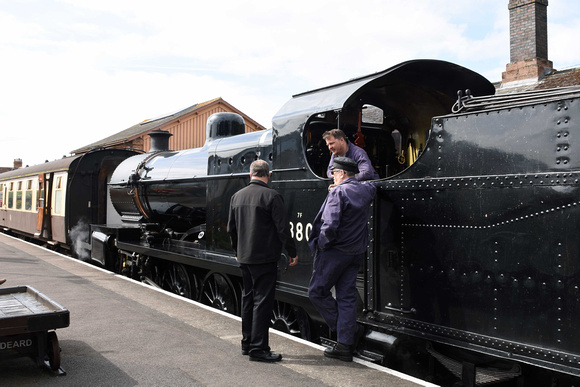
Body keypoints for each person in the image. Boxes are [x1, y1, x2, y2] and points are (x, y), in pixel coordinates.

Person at [227, 160, 298, 363]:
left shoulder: (236, 196)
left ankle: (247, 343)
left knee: (248, 299)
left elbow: (231, 229)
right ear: (268, 175)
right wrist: (292, 252)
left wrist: (237, 251)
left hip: (245, 258)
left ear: (250, 175)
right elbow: (283, 229)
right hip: (265, 259)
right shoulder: (272, 196)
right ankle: (259, 348)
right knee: (263, 302)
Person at [308, 156, 377, 362]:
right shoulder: (366, 190)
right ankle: (345, 345)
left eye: (334, 173)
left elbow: (329, 225)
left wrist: (321, 244)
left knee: (317, 292)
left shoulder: (338, 192)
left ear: (342, 173)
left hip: (334, 252)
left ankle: (346, 331)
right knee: (346, 296)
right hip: (355, 252)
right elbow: (372, 184)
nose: (332, 177)